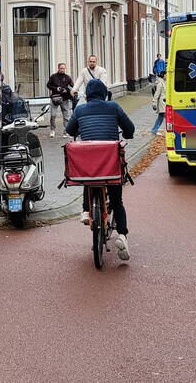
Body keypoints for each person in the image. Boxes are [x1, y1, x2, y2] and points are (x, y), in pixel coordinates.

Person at [65, 78, 135, 261]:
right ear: (105, 94)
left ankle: (86, 211)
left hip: (89, 166)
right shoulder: (113, 107)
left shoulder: (80, 109)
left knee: (88, 172)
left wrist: (79, 128)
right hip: (111, 164)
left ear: (87, 95)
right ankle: (122, 235)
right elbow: (129, 128)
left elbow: (69, 129)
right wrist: (128, 134)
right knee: (117, 200)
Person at [46, 62, 74, 138]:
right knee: (53, 115)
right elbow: (48, 85)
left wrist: (67, 90)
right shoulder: (53, 76)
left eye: (63, 68)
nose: (62, 70)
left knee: (66, 116)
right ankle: (52, 130)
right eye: (61, 68)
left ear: (65, 69)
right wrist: (56, 88)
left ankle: (66, 132)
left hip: (65, 99)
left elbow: (72, 87)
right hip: (55, 98)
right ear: (58, 68)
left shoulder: (68, 77)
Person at [150, 70, 167, 135]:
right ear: (163, 75)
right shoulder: (160, 84)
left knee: (160, 118)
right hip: (162, 103)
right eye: (166, 75)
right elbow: (156, 94)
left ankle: (154, 130)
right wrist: (154, 103)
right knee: (167, 118)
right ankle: (171, 130)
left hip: (165, 103)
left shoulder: (164, 82)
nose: (167, 76)